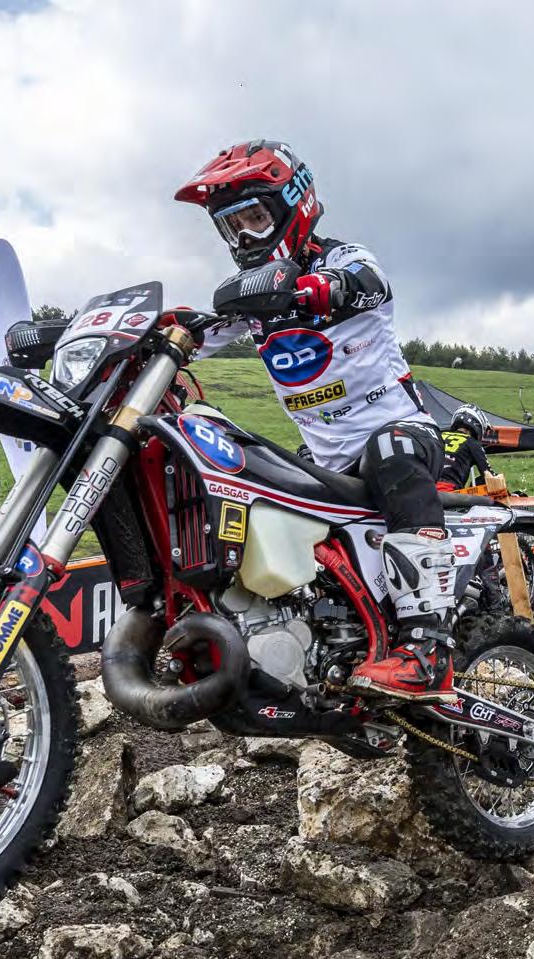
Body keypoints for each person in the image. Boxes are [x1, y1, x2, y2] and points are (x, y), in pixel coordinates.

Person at [176, 140, 453, 700]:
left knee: (391, 452)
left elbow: (365, 283)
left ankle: (428, 648)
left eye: (255, 219)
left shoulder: (345, 259)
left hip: (403, 434)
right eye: (232, 227)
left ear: (294, 205)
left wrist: (309, 290)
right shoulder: (255, 298)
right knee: (252, 478)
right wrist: (148, 336)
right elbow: (198, 333)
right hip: (325, 460)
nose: (245, 238)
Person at [436, 404, 497, 491]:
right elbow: (489, 476)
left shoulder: (438, 435)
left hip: (423, 488)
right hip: (448, 490)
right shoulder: (472, 443)